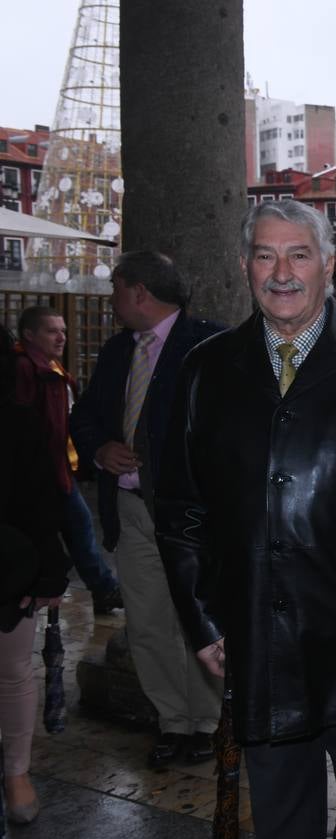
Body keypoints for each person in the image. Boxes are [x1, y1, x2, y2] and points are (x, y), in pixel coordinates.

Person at [155, 199, 336, 839]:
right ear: (245, 269)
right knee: (284, 829)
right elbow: (179, 508)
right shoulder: (207, 369)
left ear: (328, 265)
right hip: (257, 639)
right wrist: (202, 622)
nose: (282, 272)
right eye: (265, 256)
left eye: (299, 254)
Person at [70, 251, 225, 768]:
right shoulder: (118, 352)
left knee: (194, 621)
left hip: (191, 517)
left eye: (116, 289)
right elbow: (86, 417)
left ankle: (205, 723)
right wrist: (99, 450)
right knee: (147, 623)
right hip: (131, 509)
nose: (111, 300)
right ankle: (172, 722)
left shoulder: (211, 343)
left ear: (139, 292)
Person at [0, 323, 69, 825]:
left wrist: (48, 575)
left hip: (7, 566)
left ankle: (16, 772)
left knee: (14, 670)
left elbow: (42, 501)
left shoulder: (18, 423)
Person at [12, 306, 123, 615]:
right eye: (52, 331)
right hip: (41, 473)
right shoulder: (24, 369)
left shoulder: (52, 369)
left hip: (58, 470)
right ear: (29, 335)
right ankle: (100, 588)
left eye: (63, 330)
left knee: (80, 529)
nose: (62, 337)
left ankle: (102, 588)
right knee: (75, 529)